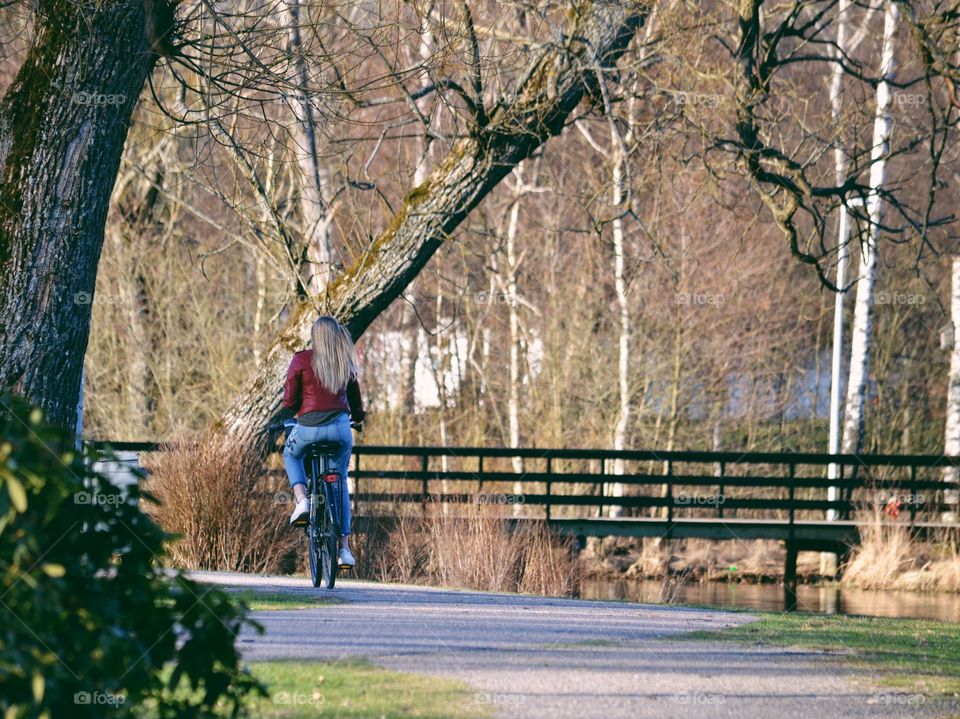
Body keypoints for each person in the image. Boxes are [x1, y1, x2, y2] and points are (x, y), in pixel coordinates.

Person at [282, 316, 365, 568]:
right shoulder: (343, 361)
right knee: (339, 484)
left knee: (291, 455)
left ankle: (302, 501)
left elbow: (289, 401)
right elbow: (356, 401)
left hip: (308, 428)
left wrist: (297, 410)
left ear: (314, 336)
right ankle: (344, 550)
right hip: (340, 430)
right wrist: (358, 417)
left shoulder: (301, 360)